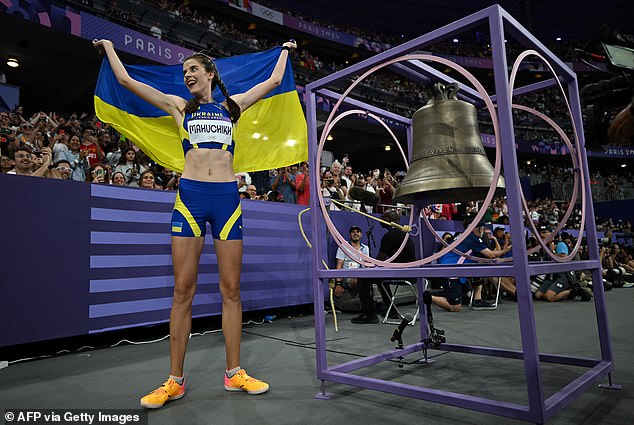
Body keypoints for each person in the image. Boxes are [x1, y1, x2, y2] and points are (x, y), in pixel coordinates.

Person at [94, 37, 297, 408]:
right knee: (182, 291)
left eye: (192, 69)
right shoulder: (177, 106)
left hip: (227, 201)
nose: (187, 75)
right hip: (190, 198)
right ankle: (174, 381)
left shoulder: (231, 107)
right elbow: (126, 81)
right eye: (184, 71)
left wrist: (284, 51)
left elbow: (271, 83)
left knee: (231, 291)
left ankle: (235, 373)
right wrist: (108, 47)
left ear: (209, 74)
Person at [431, 216, 512, 311]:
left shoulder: (465, 235)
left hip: (454, 269)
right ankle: (428, 296)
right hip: (450, 272)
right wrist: (506, 250)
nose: (483, 231)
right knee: (455, 307)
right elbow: (490, 254)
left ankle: (477, 300)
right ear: (479, 229)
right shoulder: (472, 238)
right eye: (483, 229)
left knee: (477, 272)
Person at [352, 210, 415, 324]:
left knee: (362, 278)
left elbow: (379, 261)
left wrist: (369, 266)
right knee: (381, 278)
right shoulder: (404, 234)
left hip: (400, 273)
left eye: (383, 216)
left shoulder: (389, 235)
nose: (380, 218)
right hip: (408, 272)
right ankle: (392, 311)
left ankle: (369, 314)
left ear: (388, 220)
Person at [333, 225, 370, 312]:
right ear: (350, 235)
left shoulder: (365, 248)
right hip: (348, 278)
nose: (355, 233)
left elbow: (367, 265)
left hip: (361, 276)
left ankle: (370, 304)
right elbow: (339, 265)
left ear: (361, 234)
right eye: (353, 232)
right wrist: (338, 283)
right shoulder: (343, 247)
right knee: (360, 280)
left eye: (358, 232)